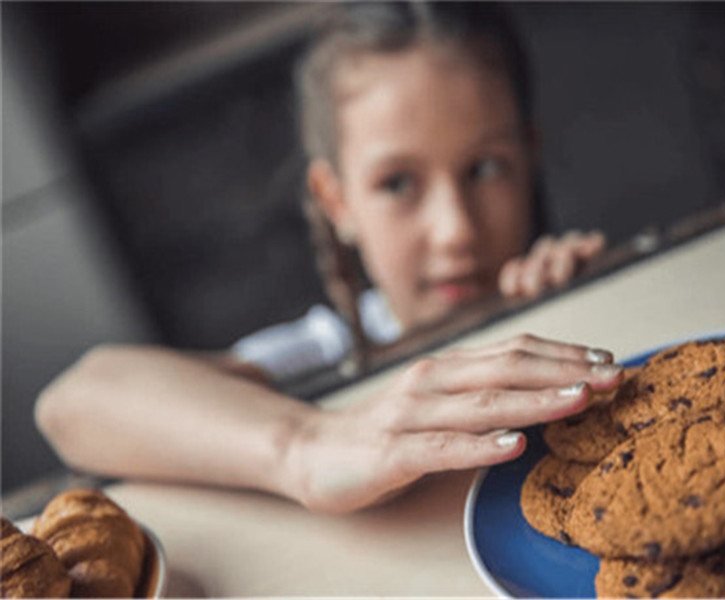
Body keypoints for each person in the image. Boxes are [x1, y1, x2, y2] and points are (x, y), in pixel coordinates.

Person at [35, 1, 618, 514]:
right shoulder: (326, 350)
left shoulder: (567, 284)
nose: (455, 232)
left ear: (529, 156)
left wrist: (581, 303)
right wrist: (307, 443)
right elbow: (72, 402)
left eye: (485, 168)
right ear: (336, 201)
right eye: (396, 184)